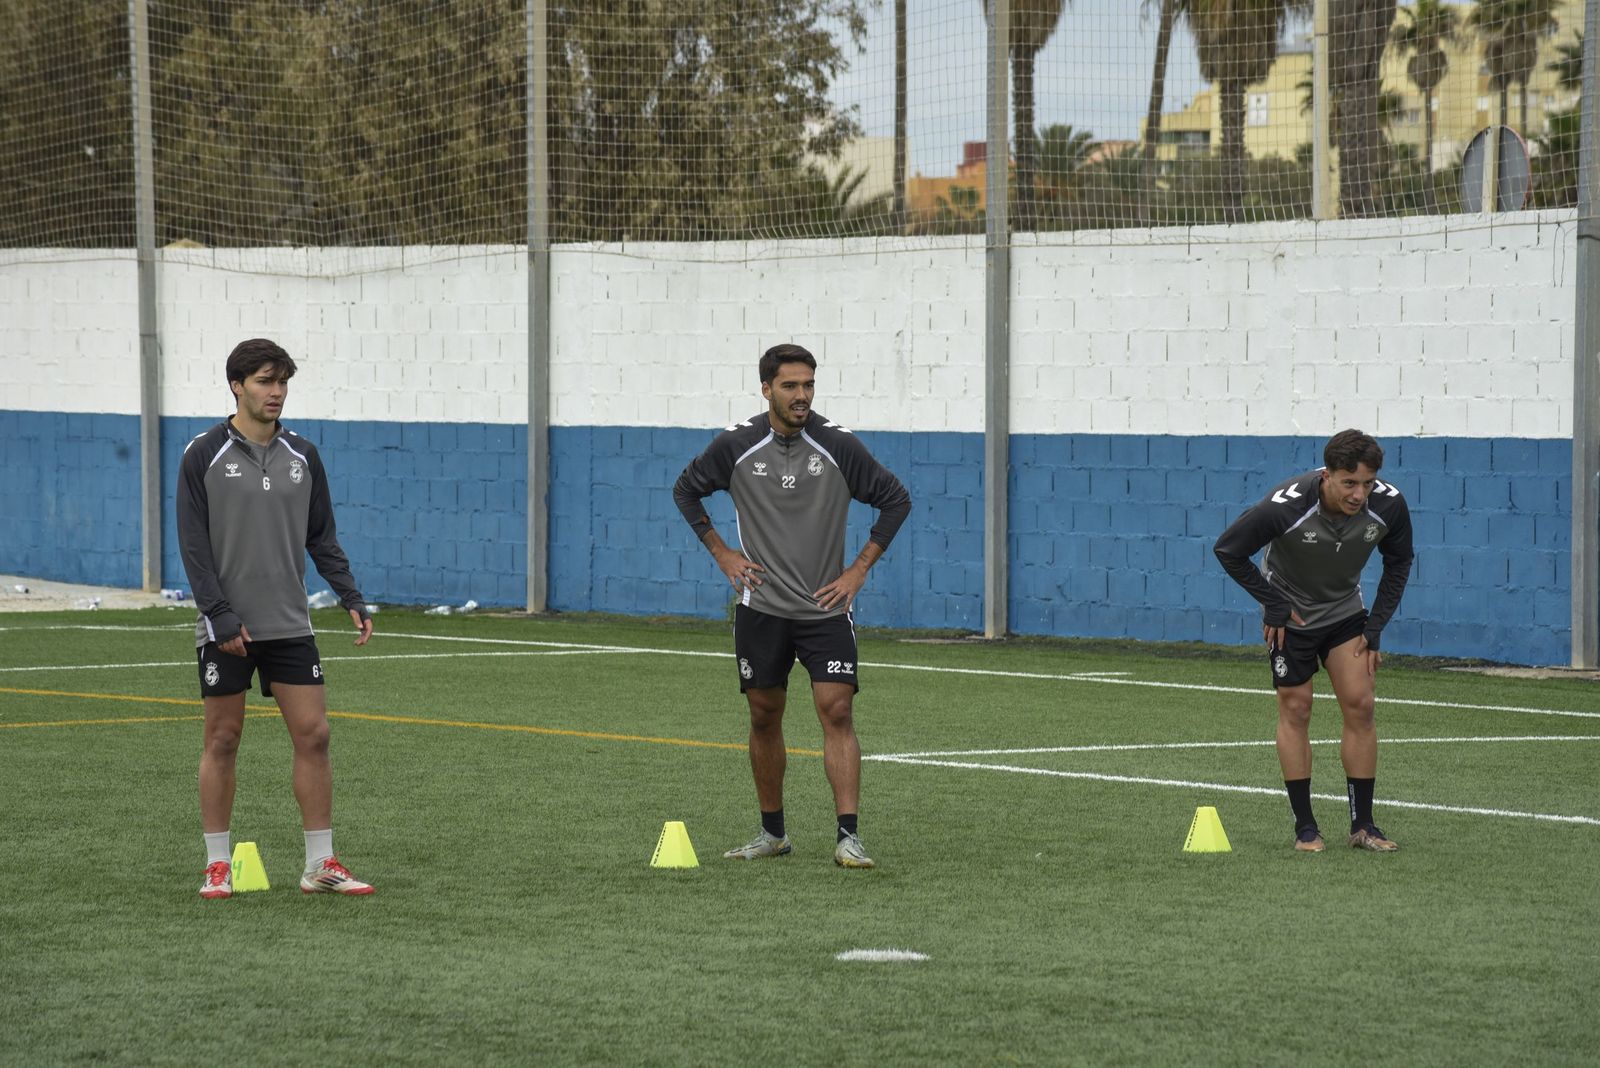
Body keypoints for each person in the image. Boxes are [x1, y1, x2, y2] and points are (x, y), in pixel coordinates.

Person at [672, 343, 912, 869]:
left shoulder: (838, 446)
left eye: (808, 385)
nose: (801, 395)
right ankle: (773, 833)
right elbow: (686, 490)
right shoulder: (736, 445)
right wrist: (723, 554)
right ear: (766, 389)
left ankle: (848, 836)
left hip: (826, 609)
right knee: (764, 715)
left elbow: (896, 499)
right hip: (761, 609)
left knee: (838, 709)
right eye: (790, 386)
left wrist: (858, 569)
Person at [177, 338, 376, 898]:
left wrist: (350, 596)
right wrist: (218, 614)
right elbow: (194, 546)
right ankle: (218, 864)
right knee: (223, 739)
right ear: (237, 385)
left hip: (290, 623)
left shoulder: (304, 456)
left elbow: (322, 538)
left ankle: (321, 864)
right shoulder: (202, 454)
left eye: (282, 382)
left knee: (314, 734)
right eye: (266, 381)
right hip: (226, 626)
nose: (277, 392)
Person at [1214, 429, 1414, 853]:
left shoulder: (1389, 504)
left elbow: (1399, 561)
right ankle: (1306, 829)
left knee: (1361, 703)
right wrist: (1273, 605)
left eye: (1367, 483)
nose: (1360, 494)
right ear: (1327, 475)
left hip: (1344, 611)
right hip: (1293, 616)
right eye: (1349, 483)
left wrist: (1375, 624)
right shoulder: (1284, 506)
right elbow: (1228, 550)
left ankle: (1364, 826)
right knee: (1296, 707)